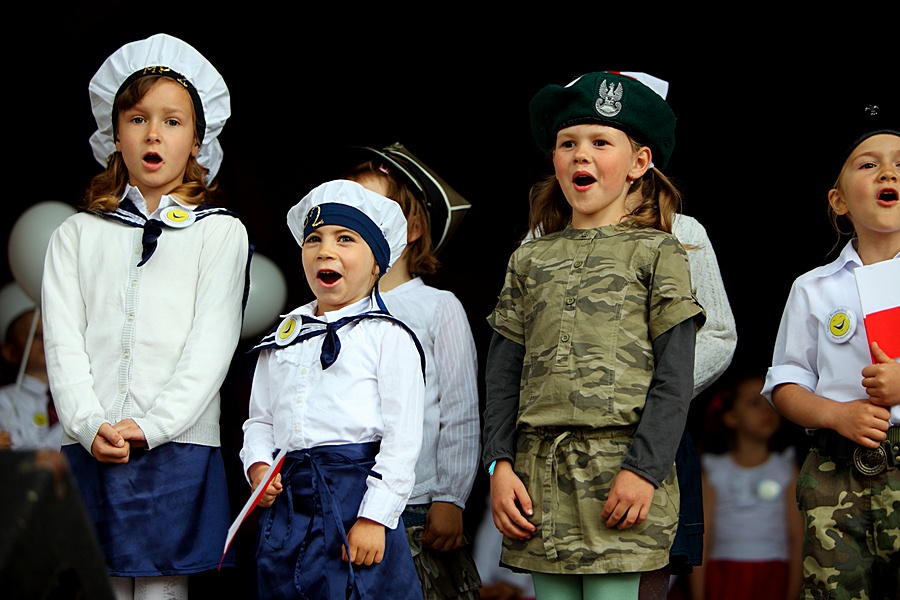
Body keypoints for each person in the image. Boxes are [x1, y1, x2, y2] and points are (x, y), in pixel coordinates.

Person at [482, 71, 706, 600]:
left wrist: (644, 471)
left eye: (600, 142)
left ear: (639, 163)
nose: (581, 154)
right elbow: (501, 375)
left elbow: (675, 380)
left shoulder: (659, 252)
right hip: (536, 481)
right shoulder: (528, 259)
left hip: (620, 476)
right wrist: (498, 464)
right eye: (568, 143)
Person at [40, 33, 249, 600]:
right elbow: (63, 343)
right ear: (115, 136)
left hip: (177, 446)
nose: (153, 133)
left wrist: (154, 425)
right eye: (137, 119)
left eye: (172, 121)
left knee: (161, 590)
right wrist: (88, 423)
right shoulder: (76, 234)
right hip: (93, 442)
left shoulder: (219, 232)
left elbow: (212, 344)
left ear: (198, 141)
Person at [240, 179, 426, 600]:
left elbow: (402, 440)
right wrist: (258, 466)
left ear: (377, 263)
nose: (325, 250)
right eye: (314, 239)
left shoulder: (388, 336)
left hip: (355, 498)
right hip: (291, 505)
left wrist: (375, 518)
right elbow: (260, 419)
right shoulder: (283, 338)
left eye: (345, 239)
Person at [761, 99, 900, 598]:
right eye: (868, 164)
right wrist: (837, 414)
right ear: (839, 201)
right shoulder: (813, 287)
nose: (888, 172)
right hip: (836, 472)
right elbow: (785, 384)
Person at [341, 144, 483, 599]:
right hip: (344, 499)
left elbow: (460, 410)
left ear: (414, 228)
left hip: (417, 503)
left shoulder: (436, 307)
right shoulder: (331, 309)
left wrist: (450, 497)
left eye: (375, 208)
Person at [687, 372, 803, 600]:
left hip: (773, 576)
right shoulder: (714, 471)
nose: (766, 410)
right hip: (724, 575)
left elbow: (798, 538)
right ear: (731, 417)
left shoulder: (787, 469)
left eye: (771, 402)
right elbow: (701, 538)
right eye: (754, 403)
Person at [0, 281, 61, 452]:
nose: (45, 340)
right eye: (35, 335)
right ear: (10, 352)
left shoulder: (75, 392)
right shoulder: (4, 400)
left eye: (49, 333)